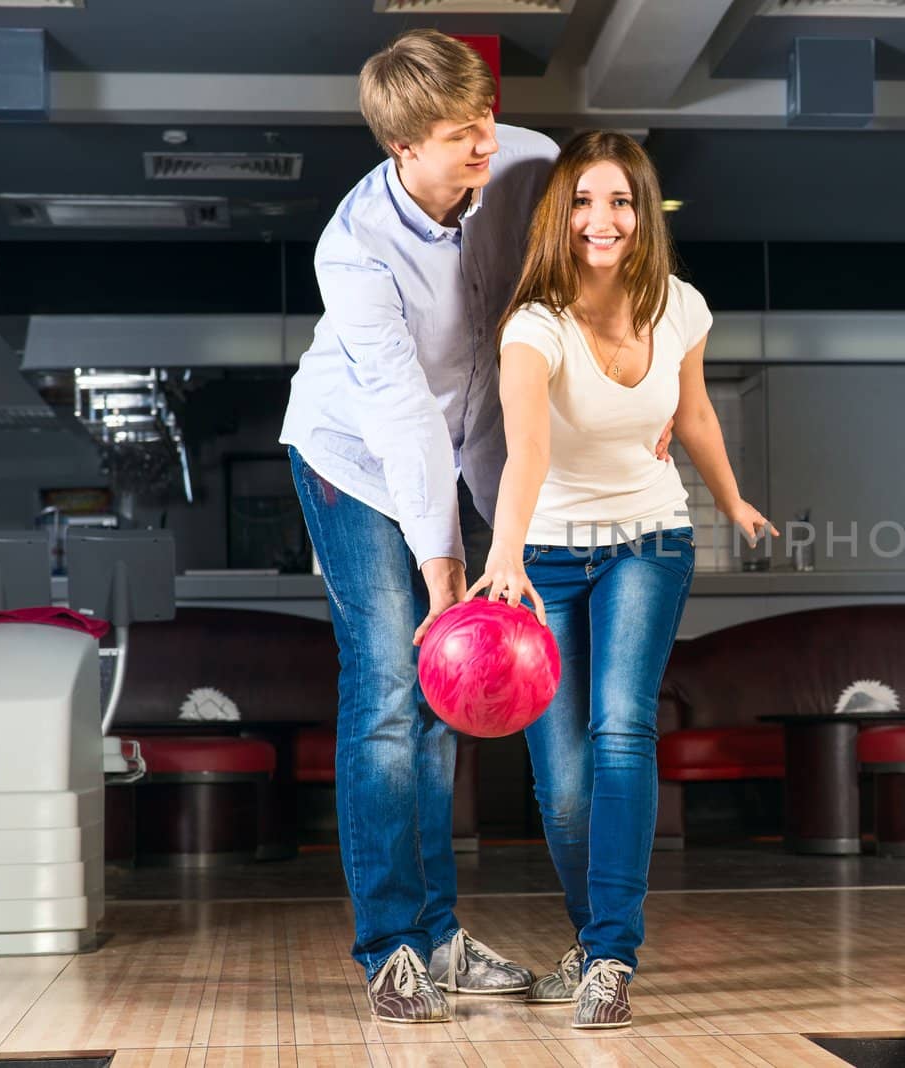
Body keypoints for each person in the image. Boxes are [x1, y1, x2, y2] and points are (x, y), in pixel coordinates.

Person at [279, 29, 560, 1024]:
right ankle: (393, 947)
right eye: (456, 133)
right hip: (355, 460)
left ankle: (440, 937)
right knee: (395, 685)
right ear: (401, 147)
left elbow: (585, 300)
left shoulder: (530, 165)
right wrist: (446, 577)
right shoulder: (354, 250)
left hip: (470, 441)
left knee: (450, 697)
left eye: (484, 116)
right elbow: (401, 415)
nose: (484, 141)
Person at [474, 130, 776, 1029]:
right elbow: (526, 450)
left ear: (642, 214)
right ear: (559, 216)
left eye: (619, 202)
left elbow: (693, 414)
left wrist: (732, 499)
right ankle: (591, 935)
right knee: (560, 783)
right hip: (547, 560)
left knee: (620, 731)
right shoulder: (533, 326)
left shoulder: (681, 306)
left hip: (650, 540)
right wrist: (504, 553)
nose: (600, 220)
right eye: (582, 202)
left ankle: (610, 958)